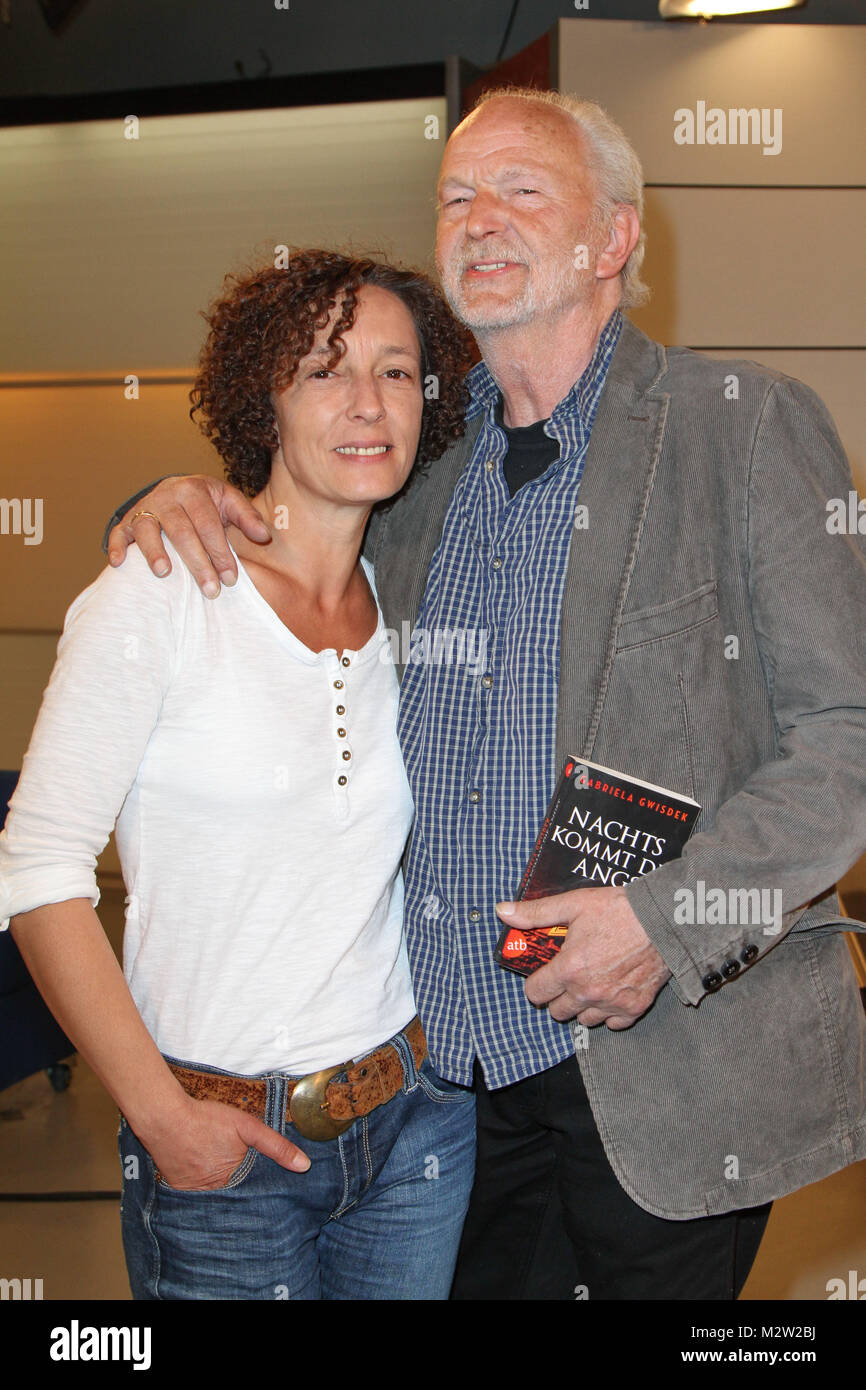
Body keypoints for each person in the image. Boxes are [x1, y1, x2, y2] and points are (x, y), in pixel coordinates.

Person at [102, 88, 866, 1301]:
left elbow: (847, 739)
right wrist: (157, 500)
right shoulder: (409, 456)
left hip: (660, 1063)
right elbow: (268, 539)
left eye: (521, 189)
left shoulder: (743, 430)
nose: (478, 218)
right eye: (455, 195)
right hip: (438, 1091)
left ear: (610, 239)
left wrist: (661, 926)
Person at [0, 250, 478, 1301]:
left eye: (397, 372)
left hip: (413, 1122)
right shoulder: (162, 593)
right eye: (323, 369)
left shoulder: (410, 601)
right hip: (221, 1147)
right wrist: (161, 1117)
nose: (366, 402)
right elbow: (37, 870)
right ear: (262, 398)